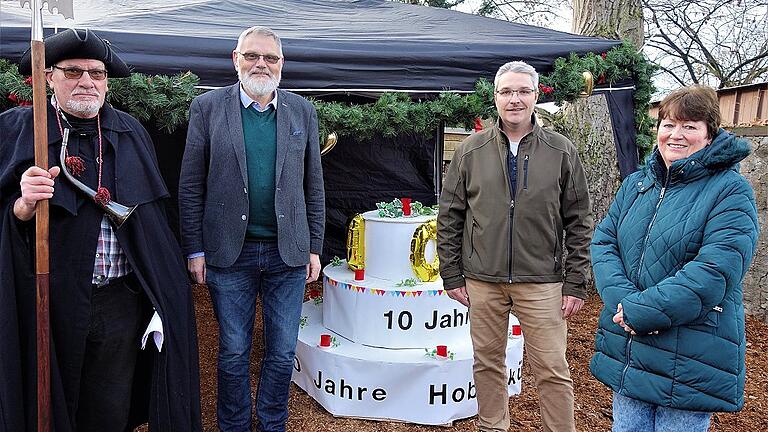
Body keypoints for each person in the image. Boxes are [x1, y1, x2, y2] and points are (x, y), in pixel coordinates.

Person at [0, 29, 201, 432]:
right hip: (47, 297)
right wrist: (21, 207)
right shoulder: (21, 129)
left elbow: (153, 223)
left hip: (117, 303)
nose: (87, 81)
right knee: (51, 403)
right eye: (73, 71)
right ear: (48, 76)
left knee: (108, 407)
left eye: (97, 73)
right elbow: (8, 215)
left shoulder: (129, 132)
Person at [179, 26, 325, 432]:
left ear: (282, 64)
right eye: (252, 56)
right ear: (235, 59)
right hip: (229, 253)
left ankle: (272, 422)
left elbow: (314, 184)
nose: (262, 64)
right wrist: (194, 249)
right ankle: (234, 425)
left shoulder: (302, 112)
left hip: (288, 253)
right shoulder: (207, 108)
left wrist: (314, 245)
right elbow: (191, 184)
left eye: (271, 58)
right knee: (233, 351)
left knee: (280, 352)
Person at [590, 85, 759, 431]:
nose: (675, 135)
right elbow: (604, 243)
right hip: (631, 345)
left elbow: (716, 270)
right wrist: (624, 302)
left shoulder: (730, 190)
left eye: (689, 126)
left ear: (710, 135)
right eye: (668, 124)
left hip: (691, 353)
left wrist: (643, 310)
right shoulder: (638, 184)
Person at [437, 60, 593, 432]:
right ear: (495, 97)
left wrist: (575, 281)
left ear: (536, 96)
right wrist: (451, 273)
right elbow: (450, 215)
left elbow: (579, 219)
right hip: (482, 280)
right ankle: (493, 425)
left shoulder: (561, 151)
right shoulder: (470, 151)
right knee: (487, 362)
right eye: (506, 91)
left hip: (542, 281)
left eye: (523, 91)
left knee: (552, 368)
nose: (515, 99)